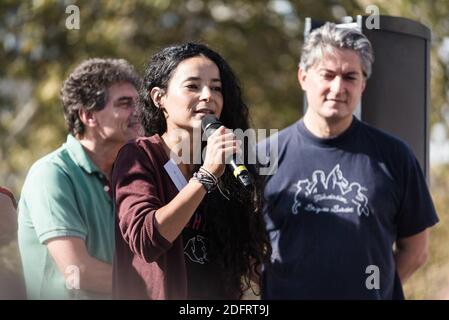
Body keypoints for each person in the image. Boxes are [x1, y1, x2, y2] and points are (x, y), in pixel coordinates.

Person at [259, 22, 438, 299]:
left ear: (363, 84)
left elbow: (416, 251)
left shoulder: (395, 157)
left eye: (350, 77)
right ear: (303, 77)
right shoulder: (263, 157)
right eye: (327, 74)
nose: (338, 87)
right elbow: (243, 249)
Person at [112, 42, 270, 299]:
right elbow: (146, 240)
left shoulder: (223, 164)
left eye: (216, 88)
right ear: (158, 97)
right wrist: (206, 176)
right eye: (193, 86)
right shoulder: (140, 155)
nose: (208, 95)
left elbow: (244, 258)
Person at [17, 58, 141, 299]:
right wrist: (156, 286)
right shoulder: (51, 173)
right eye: (125, 104)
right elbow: (79, 272)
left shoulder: (130, 175)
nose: (138, 113)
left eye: (139, 103)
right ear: (88, 116)